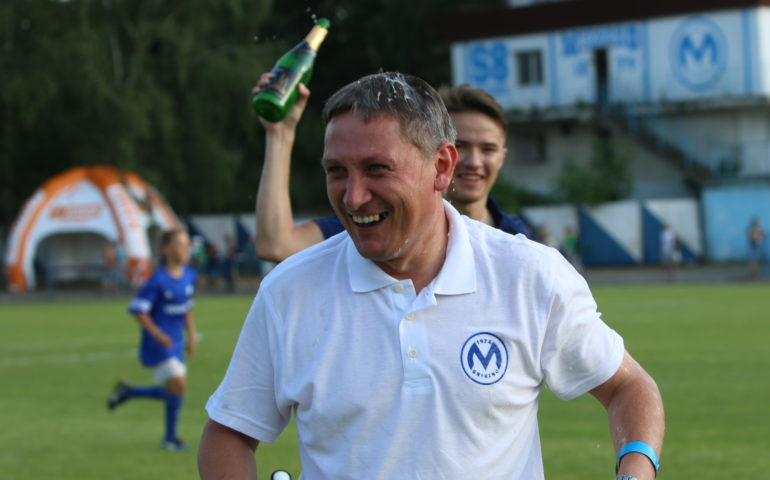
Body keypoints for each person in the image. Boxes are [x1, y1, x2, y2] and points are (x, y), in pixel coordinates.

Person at [199, 72, 665, 479]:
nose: (353, 196)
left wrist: (635, 471)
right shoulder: (289, 291)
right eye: (336, 171)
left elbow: (628, 387)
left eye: (377, 169)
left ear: (442, 167)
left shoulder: (530, 274)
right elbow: (229, 433)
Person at [253, 76, 529, 263]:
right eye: (462, 145)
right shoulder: (371, 220)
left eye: (488, 149)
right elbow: (276, 245)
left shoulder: (519, 242)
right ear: (440, 158)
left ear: (502, 157)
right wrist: (280, 135)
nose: (473, 161)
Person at [108, 228, 198, 452]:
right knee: (179, 385)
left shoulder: (189, 276)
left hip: (176, 342)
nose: (185, 249)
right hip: (158, 344)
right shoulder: (157, 281)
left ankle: (128, 393)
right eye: (179, 244)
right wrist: (157, 334)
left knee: (174, 391)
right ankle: (170, 438)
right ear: (166, 249)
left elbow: (186, 308)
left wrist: (192, 334)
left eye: (187, 244)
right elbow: (138, 310)